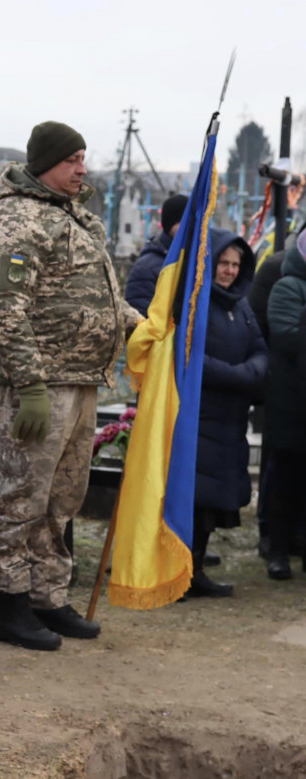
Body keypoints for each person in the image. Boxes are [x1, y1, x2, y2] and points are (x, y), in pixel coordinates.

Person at [0, 121, 141, 650]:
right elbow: (7, 309)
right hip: (41, 386)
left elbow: (96, 296)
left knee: (62, 499)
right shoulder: (16, 219)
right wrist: (28, 386)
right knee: (22, 495)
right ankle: (7, 606)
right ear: (46, 163)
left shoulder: (79, 219)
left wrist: (140, 324)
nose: (82, 169)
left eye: (83, 158)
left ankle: (47, 598)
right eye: (72, 159)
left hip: (83, 380)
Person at [186, 229, 267, 597]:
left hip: (229, 419)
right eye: (223, 263)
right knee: (192, 500)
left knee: (211, 504)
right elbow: (187, 355)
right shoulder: (194, 302)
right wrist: (235, 376)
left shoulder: (241, 304)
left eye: (235, 264)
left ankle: (196, 569)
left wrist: (252, 372)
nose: (230, 271)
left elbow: (260, 349)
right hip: (199, 417)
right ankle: (179, 573)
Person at [263, 229, 306, 580]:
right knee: (285, 479)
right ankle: (278, 551)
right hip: (291, 401)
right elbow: (287, 336)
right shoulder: (287, 287)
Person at [124, 193, 188, 317]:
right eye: (183, 223)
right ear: (170, 225)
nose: (189, 228)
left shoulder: (197, 261)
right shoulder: (146, 268)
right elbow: (141, 319)